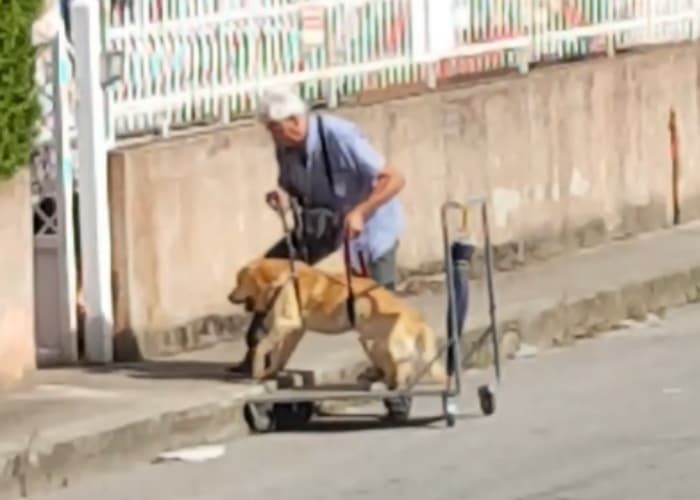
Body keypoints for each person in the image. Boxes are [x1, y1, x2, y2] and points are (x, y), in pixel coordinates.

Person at [229, 86, 410, 417]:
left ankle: (397, 391)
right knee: (268, 274)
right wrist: (282, 197)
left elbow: (394, 178)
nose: (271, 136)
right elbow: (290, 184)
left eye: (275, 128)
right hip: (325, 220)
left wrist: (361, 211)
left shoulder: (340, 136)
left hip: (370, 224)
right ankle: (258, 353)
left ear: (295, 121)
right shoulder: (285, 145)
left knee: (375, 308)